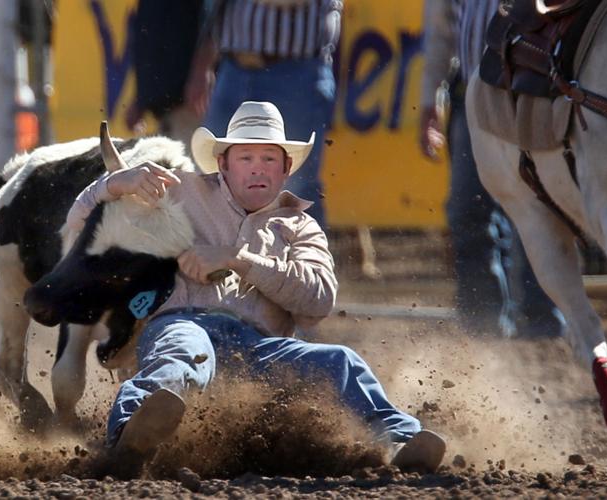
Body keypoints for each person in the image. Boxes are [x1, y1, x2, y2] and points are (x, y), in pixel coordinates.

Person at [67, 101, 447, 472]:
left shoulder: (300, 227)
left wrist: (237, 259)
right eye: (246, 158)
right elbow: (79, 233)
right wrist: (113, 184)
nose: (257, 170)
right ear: (223, 164)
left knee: (342, 362)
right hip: (181, 322)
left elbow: (318, 300)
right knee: (184, 349)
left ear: (285, 170)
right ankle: (129, 436)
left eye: (268, 160)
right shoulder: (178, 193)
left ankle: (397, 443)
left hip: (261, 350)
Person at [420, 0, 565, 338]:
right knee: (469, 212)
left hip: (534, 95)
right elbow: (441, 32)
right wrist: (429, 101)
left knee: (541, 208)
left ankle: (544, 322)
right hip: (472, 97)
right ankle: (481, 327)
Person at [184, 0, 342, 229]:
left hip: (294, 71)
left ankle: (307, 261)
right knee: (213, 181)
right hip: (233, 68)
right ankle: (223, 260)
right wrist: (203, 63)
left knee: (294, 188)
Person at [123, 0, 204, 149]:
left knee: (189, 165)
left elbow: (212, 27)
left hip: (186, 98)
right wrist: (140, 98)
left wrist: (201, 73)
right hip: (163, 105)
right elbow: (149, 37)